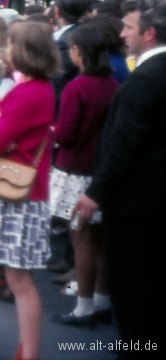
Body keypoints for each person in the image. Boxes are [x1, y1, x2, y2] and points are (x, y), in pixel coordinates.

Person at [74, 0, 166, 355]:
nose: (122, 33)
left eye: (129, 27)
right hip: (151, 199)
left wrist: (97, 191)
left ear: (149, 33)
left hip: (136, 203)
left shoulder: (145, 77)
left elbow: (124, 141)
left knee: (134, 288)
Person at [0, 20, 58, 360]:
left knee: (17, 279)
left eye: (10, 46)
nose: (6, 52)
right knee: (12, 275)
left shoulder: (26, 92)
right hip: (23, 194)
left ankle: (27, 352)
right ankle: (22, 349)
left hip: (11, 196)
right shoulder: (40, 89)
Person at [49, 24, 117, 327]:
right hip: (99, 175)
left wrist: (50, 131)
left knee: (80, 240)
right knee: (101, 243)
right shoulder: (113, 85)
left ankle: (83, 307)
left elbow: (65, 134)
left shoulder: (77, 87)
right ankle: (102, 300)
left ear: (78, 52)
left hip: (72, 176)